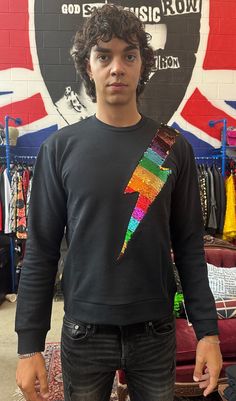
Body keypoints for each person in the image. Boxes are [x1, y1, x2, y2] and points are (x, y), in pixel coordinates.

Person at [15, 4, 222, 401]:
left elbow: (191, 248)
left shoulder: (168, 146)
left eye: (129, 55)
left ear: (143, 65)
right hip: (84, 331)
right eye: (103, 55)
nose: (117, 67)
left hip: (155, 331)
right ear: (87, 66)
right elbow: (40, 251)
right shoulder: (60, 149)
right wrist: (29, 346)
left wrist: (207, 332)